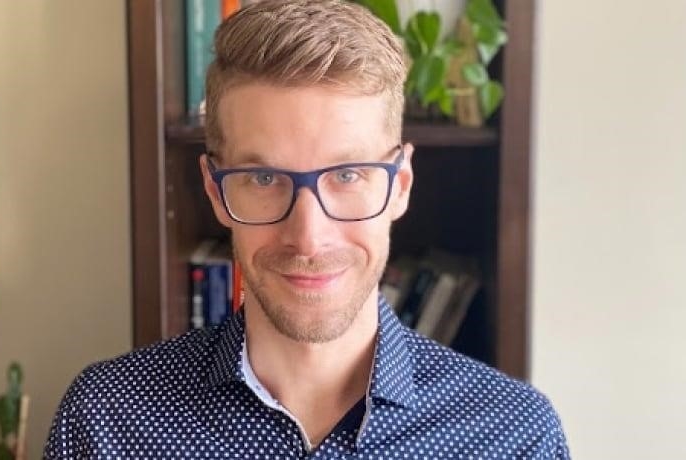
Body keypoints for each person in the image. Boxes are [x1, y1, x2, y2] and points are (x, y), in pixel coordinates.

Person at [44, 0, 570, 458]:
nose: (309, 237)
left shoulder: (512, 435)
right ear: (214, 191)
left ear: (400, 185)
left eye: (347, 175)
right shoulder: (107, 422)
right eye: (264, 177)